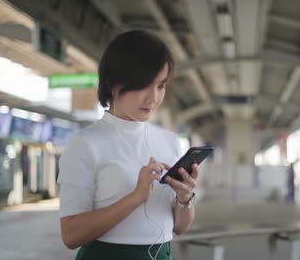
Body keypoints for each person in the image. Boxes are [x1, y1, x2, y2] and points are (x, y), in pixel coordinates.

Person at [58, 30, 199, 260]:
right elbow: (71, 235)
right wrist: (136, 197)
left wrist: (185, 198)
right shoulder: (84, 144)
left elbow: (180, 228)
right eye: (143, 85)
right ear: (114, 82)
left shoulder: (169, 141)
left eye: (161, 85)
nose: (153, 98)